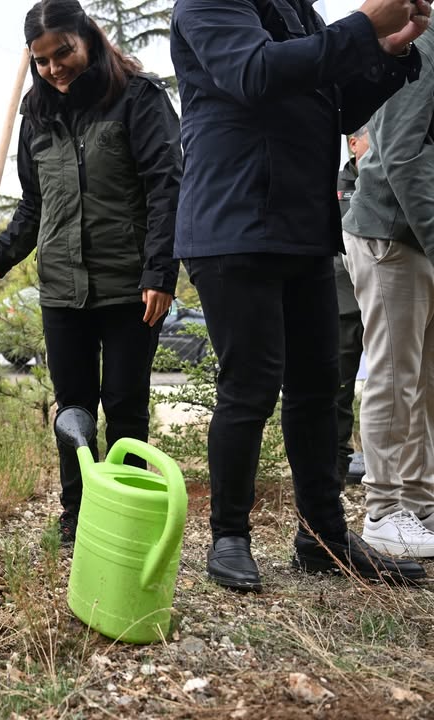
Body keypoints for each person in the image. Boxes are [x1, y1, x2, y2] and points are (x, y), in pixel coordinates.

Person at [171, 0, 430, 591]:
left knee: (319, 387)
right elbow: (255, 73)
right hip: (234, 223)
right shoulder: (208, 3)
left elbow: (334, 104)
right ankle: (230, 536)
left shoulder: (298, 9)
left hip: (303, 228)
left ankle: (323, 539)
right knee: (251, 385)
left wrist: (388, 52)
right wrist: (363, 23)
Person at [0, 0, 182, 547]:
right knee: (74, 412)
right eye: (42, 60)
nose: (55, 67)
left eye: (63, 51)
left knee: (126, 404)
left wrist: (160, 270)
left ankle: (129, 513)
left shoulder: (139, 98)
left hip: (131, 287)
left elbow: (167, 188)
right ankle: (78, 518)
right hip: (62, 290)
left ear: (87, 37)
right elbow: (34, 207)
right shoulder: (36, 116)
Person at [342, 30, 434, 558]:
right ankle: (384, 512)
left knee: (420, 379)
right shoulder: (424, 50)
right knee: (395, 375)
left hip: (415, 236)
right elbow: (398, 155)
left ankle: (419, 503)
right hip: (389, 235)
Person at [335, 127, 370, 487]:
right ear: (354, 143)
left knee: (394, 385)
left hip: (387, 297)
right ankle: (337, 465)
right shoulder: (333, 186)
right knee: (339, 390)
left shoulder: (392, 180)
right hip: (343, 303)